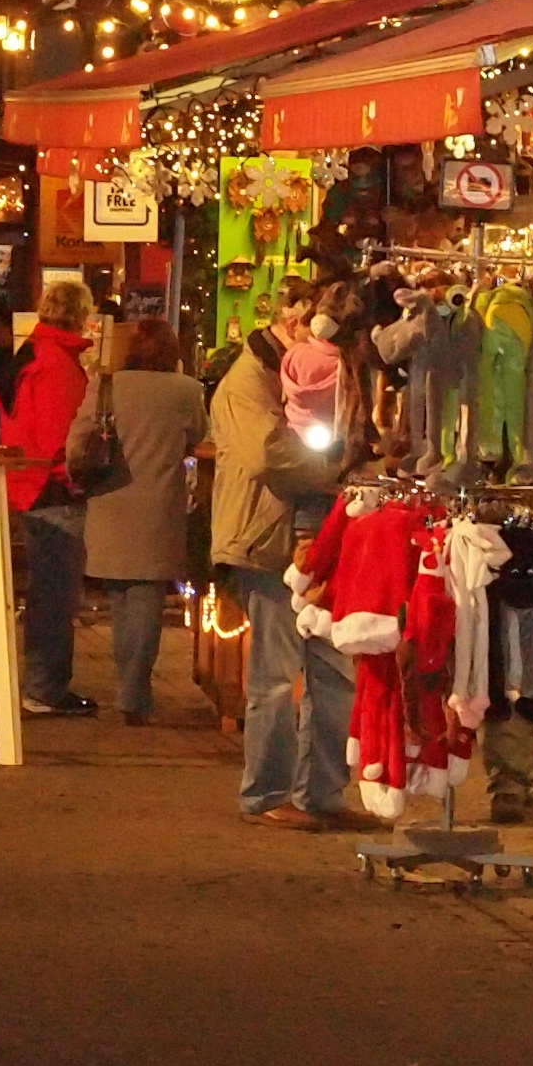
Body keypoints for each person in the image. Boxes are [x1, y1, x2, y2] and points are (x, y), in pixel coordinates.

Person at [215, 288, 354, 828]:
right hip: (266, 540)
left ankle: (321, 794)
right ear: (291, 323)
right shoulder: (247, 382)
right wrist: (342, 471)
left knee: (333, 670)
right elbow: (269, 456)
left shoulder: (311, 373)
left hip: (318, 536)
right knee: (274, 677)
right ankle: (266, 795)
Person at [72, 314, 209, 726]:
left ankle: (129, 686)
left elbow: (77, 442)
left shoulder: (106, 386)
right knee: (146, 603)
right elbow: (200, 435)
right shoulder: (186, 390)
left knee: (121, 601)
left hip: (109, 503)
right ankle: (134, 690)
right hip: (158, 508)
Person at [0, 280, 97, 717]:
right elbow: (62, 435)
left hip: (30, 482)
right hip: (50, 487)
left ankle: (43, 685)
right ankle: (45, 688)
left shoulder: (34, 353)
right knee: (56, 593)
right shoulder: (57, 363)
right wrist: (73, 477)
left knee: (47, 590)